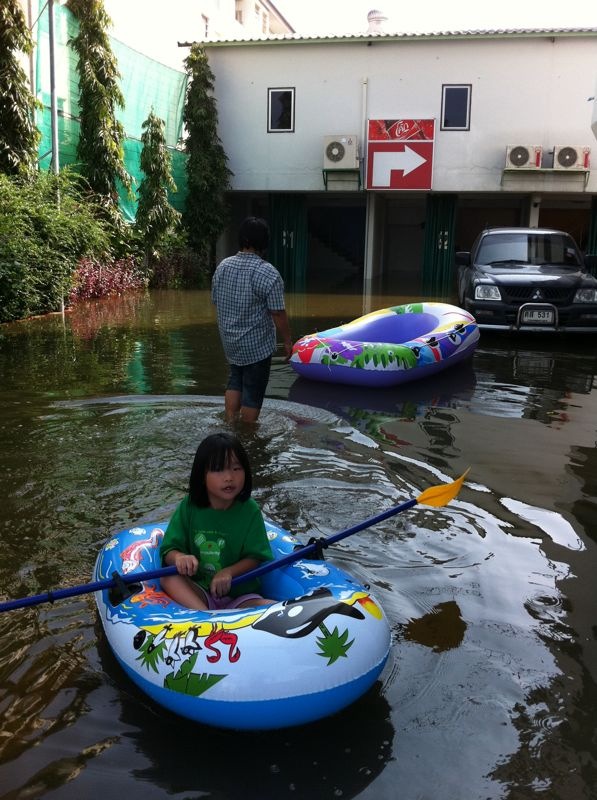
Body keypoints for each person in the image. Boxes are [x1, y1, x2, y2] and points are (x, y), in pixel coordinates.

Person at [160, 432, 274, 610]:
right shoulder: (189, 506)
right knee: (169, 578)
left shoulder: (249, 510)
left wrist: (228, 572)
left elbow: (255, 557)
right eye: (219, 469)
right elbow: (168, 551)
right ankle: (206, 619)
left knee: (273, 608)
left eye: (236, 469)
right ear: (202, 475)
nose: (229, 477)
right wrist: (180, 557)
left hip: (240, 595)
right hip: (200, 592)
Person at [211, 216, 292, 423]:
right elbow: (277, 313)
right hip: (256, 346)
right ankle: (247, 434)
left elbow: (216, 301)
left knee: (235, 379)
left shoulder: (223, 267)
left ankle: (230, 420)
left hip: (231, 343)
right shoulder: (267, 272)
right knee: (253, 391)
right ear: (264, 243)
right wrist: (288, 341)